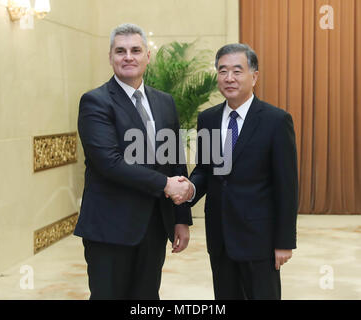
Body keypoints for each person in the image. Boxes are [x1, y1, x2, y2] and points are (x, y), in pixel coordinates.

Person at [74, 23, 193, 300]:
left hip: (153, 226)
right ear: (111, 57)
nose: (128, 56)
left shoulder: (165, 102)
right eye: (121, 51)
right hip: (109, 229)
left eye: (135, 50)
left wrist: (181, 219)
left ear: (147, 56)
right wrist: (165, 184)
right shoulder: (95, 102)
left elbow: (175, 159)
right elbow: (109, 162)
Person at [180, 43, 298, 299]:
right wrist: (190, 189)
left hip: (260, 240)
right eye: (223, 71)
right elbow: (205, 169)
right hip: (220, 237)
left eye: (237, 70)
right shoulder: (208, 119)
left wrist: (284, 241)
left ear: (254, 76)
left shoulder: (276, 121)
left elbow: (287, 186)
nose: (229, 78)